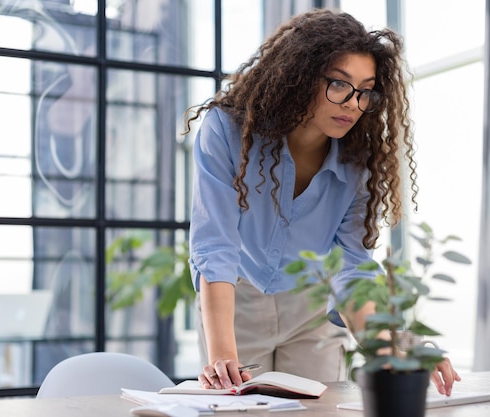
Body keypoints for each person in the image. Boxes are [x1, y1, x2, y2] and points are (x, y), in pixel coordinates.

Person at [184, 8, 461, 396]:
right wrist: (222, 356)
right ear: (298, 77)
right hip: (235, 302)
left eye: (365, 91)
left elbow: (351, 267)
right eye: (339, 84)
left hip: (313, 313)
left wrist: (396, 349)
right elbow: (215, 245)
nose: (352, 102)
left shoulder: (357, 161)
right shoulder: (228, 131)